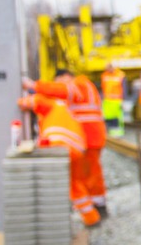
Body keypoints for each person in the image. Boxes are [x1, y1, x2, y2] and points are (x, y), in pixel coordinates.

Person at [24, 69, 108, 215]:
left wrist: (34, 85)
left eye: (59, 81)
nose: (59, 85)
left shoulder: (80, 84)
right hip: (89, 137)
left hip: (89, 137)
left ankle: (97, 207)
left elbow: (62, 91)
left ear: (65, 77)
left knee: (90, 173)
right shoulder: (82, 87)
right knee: (87, 174)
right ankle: (94, 205)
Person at [16, 92, 99, 226]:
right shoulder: (64, 109)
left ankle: (59, 218)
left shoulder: (52, 104)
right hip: (76, 150)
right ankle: (91, 217)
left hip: (60, 148)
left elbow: (34, 101)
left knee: (57, 183)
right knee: (74, 184)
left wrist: (21, 101)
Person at [100, 62, 126, 135]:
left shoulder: (120, 75)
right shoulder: (104, 75)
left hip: (117, 100)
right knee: (108, 116)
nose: (107, 70)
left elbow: (124, 87)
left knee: (117, 116)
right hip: (107, 99)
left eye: (108, 68)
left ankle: (117, 132)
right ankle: (111, 131)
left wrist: (123, 99)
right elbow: (103, 87)